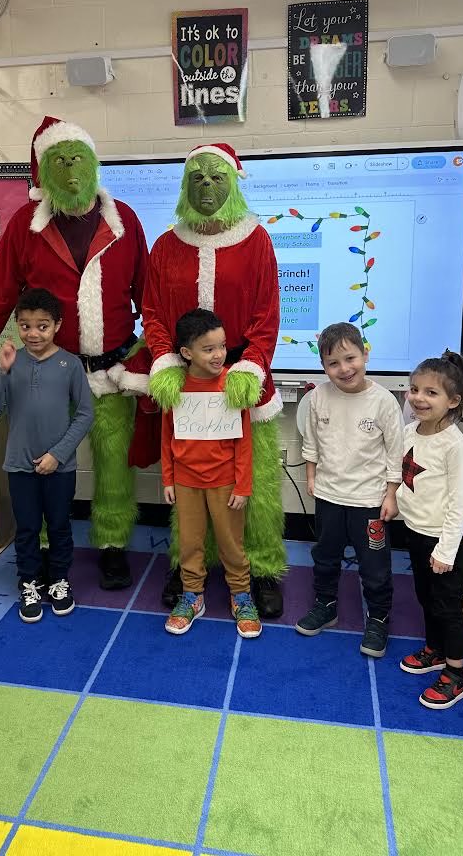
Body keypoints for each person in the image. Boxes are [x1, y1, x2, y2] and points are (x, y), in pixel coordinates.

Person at [0, 116, 154, 593]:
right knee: (45, 461)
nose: (71, 171)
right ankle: (50, 545)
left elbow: (149, 296)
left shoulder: (124, 220)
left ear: (93, 163)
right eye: (60, 161)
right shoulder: (25, 226)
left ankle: (113, 546)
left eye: (78, 159)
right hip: (47, 375)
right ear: (42, 171)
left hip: (110, 372)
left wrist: (157, 355)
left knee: (113, 466)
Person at [143, 142, 286, 620]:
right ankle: (191, 571)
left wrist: (252, 365)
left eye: (216, 177)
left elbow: (268, 313)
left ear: (235, 183)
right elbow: (154, 312)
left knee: (252, 483)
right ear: (186, 185)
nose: (206, 187)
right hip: (184, 382)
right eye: (197, 178)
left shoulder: (257, 240)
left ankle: (259, 569)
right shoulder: (165, 245)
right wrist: (165, 363)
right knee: (187, 482)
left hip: (245, 379)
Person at [0, 288, 94, 623]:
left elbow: (85, 414)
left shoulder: (69, 364)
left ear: (57, 325)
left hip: (59, 468)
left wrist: (57, 455)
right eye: (26, 326)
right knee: (27, 527)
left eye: (42, 326)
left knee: (59, 525)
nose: (33, 334)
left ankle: (59, 579)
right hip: (19, 465)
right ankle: (29, 581)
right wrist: (1, 373)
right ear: (17, 325)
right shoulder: (11, 361)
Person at [296, 322, 403, 657]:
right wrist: (311, 478)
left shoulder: (384, 402)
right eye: (333, 363)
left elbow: (395, 453)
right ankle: (326, 605)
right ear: (323, 366)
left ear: (365, 354)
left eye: (350, 358)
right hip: (329, 495)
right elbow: (311, 442)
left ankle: (379, 618)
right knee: (325, 556)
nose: (343, 369)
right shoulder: (317, 397)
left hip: (370, 501)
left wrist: (390, 494)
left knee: (374, 566)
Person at [161, 309, 261, 639]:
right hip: (186, 481)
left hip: (225, 481)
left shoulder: (233, 384)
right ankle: (192, 595)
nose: (219, 354)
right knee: (189, 542)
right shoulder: (174, 387)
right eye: (209, 349)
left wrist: (243, 485)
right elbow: (167, 435)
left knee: (231, 542)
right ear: (187, 353)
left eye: (222, 346)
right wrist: (167, 478)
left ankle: (241, 595)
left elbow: (244, 441)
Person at [397, 352, 463, 709]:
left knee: (447, 606)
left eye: (431, 393)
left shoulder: (456, 446)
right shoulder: (411, 430)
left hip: (444, 540)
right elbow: (405, 472)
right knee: (425, 597)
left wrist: (445, 551)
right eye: (414, 389)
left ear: (453, 401)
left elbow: (459, 505)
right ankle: (435, 650)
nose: (418, 398)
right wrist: (394, 497)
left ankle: (456, 673)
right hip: (416, 531)